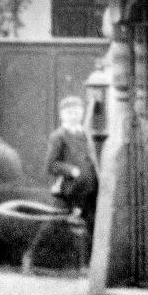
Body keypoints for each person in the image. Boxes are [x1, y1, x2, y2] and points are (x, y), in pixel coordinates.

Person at [44, 95, 99, 241]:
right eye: (70, 113)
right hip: (70, 192)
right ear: (62, 115)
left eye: (77, 112)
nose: (74, 116)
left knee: (90, 231)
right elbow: (51, 165)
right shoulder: (59, 136)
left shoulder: (86, 134)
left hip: (89, 191)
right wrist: (71, 171)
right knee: (63, 232)